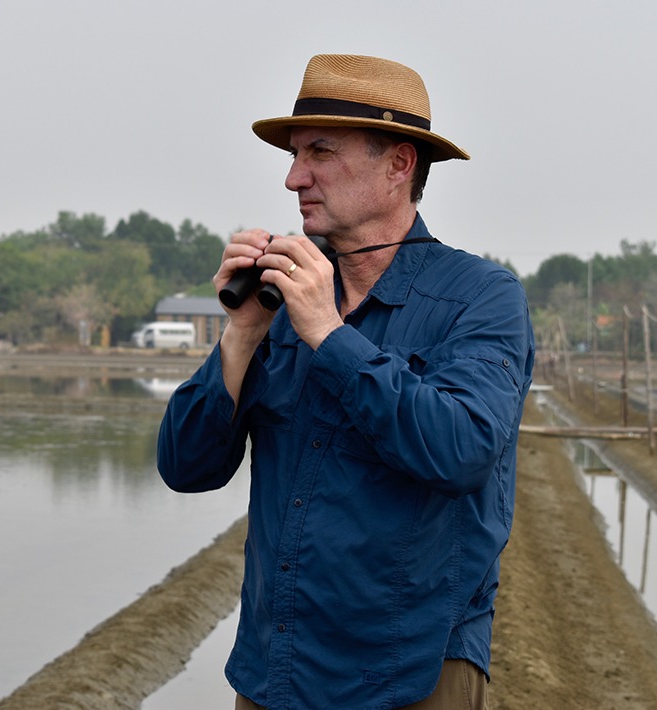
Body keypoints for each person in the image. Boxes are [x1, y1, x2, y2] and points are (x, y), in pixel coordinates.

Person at [158, 54, 535, 710]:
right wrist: (243, 332)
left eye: (320, 153)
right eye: (296, 154)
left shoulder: (481, 298)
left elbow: (463, 450)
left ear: (399, 165)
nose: (293, 177)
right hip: (275, 671)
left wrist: (329, 335)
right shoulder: (278, 302)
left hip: (412, 671)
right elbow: (186, 466)